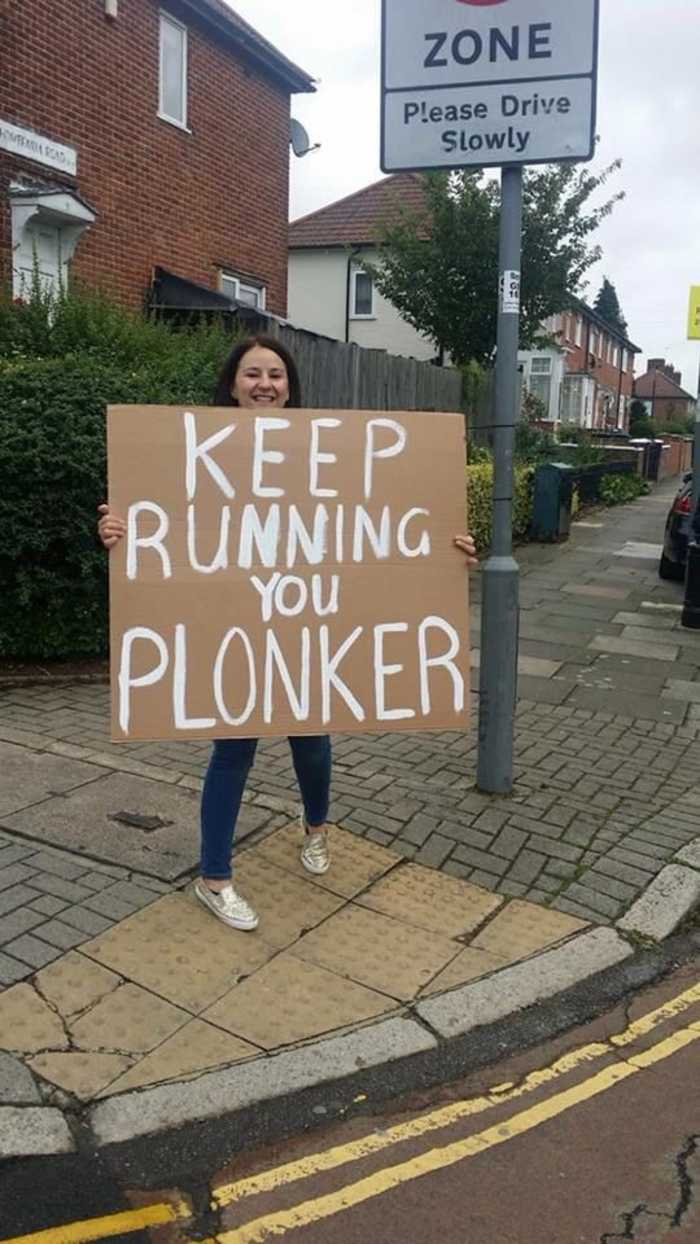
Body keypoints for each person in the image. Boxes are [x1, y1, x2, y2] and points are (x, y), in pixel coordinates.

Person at [98, 334, 478, 933]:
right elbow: (157, 522)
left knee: (313, 741)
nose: (265, 384)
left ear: (290, 386)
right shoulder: (186, 448)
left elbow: (391, 519)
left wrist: (447, 552)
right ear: (232, 384)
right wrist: (120, 534)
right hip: (237, 628)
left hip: (308, 626)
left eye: (276, 374)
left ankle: (316, 828)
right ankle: (215, 877)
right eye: (253, 374)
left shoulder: (326, 450)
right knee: (233, 750)